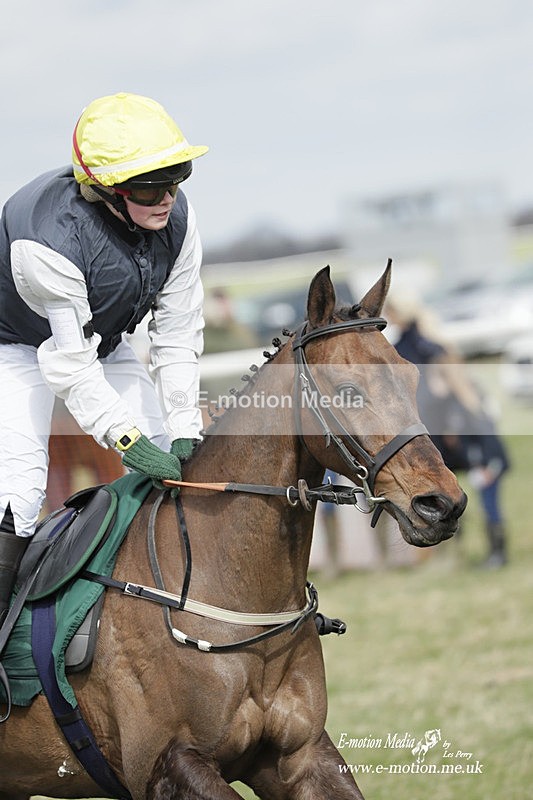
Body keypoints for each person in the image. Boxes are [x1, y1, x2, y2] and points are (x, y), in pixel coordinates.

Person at [0, 92, 209, 626]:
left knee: (178, 465)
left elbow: (177, 334)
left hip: (105, 343)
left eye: (176, 178)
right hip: (13, 346)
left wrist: (183, 426)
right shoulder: (48, 242)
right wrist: (129, 442)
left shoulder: (180, 223)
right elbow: (69, 365)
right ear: (106, 189)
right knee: (19, 492)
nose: (167, 197)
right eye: (150, 187)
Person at [385, 295, 510, 568]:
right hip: (444, 437)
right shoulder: (413, 349)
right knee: (446, 497)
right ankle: (458, 553)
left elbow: (464, 395)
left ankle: (495, 552)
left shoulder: (431, 350)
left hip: (466, 435)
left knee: (483, 490)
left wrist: (479, 433)